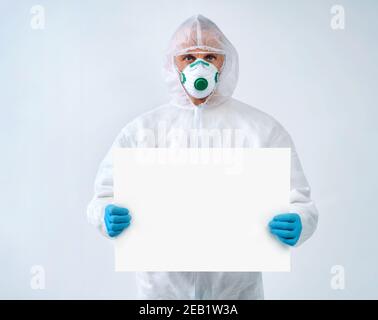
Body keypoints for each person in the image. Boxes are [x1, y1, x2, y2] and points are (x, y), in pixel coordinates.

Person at [87, 14, 318, 299]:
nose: (200, 66)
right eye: (188, 57)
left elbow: (302, 203)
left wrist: (299, 221)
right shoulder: (141, 132)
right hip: (162, 294)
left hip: (236, 295)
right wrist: (105, 215)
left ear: (225, 62)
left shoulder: (261, 130)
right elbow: (102, 196)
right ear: (173, 64)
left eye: (210, 56)